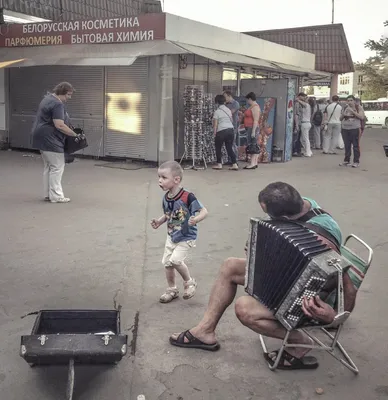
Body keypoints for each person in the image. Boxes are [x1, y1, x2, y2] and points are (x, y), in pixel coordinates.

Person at [169, 182, 358, 370]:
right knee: (230, 266)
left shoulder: (322, 240)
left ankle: (299, 342)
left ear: (284, 216)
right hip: (287, 278)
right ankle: (205, 331)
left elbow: (347, 284)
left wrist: (335, 317)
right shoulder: (304, 204)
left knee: (244, 309)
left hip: (310, 300)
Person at [151, 161, 208, 303]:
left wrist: (196, 219)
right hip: (172, 236)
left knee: (175, 260)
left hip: (186, 236)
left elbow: (204, 211)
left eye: (164, 177)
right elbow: (168, 214)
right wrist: (159, 221)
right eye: (159, 177)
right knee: (167, 263)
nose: (159, 180)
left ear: (176, 180)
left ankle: (189, 283)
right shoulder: (166, 198)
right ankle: (172, 289)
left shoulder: (187, 196)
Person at [32, 82, 78, 203]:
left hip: (41, 137)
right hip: (51, 139)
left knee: (49, 167)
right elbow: (60, 125)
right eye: (68, 94)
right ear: (62, 92)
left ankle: (48, 194)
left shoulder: (47, 99)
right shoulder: (57, 104)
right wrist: (74, 134)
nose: (69, 97)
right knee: (57, 167)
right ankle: (57, 196)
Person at [212, 95, 239, 171]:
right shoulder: (228, 110)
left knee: (218, 147)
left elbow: (215, 125)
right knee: (229, 148)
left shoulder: (217, 112)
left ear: (217, 102)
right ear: (224, 102)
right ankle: (234, 164)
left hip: (221, 131)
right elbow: (232, 120)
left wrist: (215, 133)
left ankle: (219, 164)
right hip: (230, 130)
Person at [339, 95, 365, 168]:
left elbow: (361, 117)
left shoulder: (358, 107)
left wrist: (353, 112)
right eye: (348, 100)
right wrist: (343, 115)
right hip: (345, 129)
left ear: (354, 101)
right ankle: (346, 160)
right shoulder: (345, 108)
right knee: (347, 145)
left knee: (355, 146)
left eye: (351, 100)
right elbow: (340, 119)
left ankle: (356, 161)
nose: (349, 102)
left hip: (355, 128)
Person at [243, 92, 261, 169]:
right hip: (249, 127)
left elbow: (256, 120)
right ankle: (254, 162)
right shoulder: (251, 107)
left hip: (252, 128)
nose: (247, 101)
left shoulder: (255, 107)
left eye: (248, 100)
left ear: (250, 99)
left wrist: (253, 131)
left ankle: (252, 163)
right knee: (253, 145)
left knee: (253, 145)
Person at [223, 91, 240, 161]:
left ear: (229, 96)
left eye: (225, 97)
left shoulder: (235, 103)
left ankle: (235, 159)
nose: (224, 98)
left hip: (233, 126)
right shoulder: (225, 104)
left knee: (232, 143)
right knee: (227, 144)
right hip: (225, 126)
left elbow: (230, 112)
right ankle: (229, 159)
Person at [296, 93, 312, 157]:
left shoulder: (307, 105)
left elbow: (303, 104)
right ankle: (308, 151)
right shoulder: (308, 106)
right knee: (303, 139)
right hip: (307, 123)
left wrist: (297, 100)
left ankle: (308, 152)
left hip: (305, 123)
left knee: (305, 139)